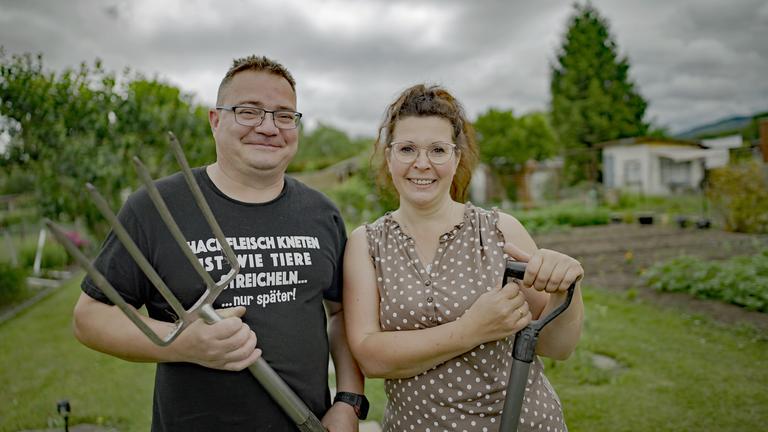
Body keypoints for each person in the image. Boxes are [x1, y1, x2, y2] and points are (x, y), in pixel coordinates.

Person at [72, 55, 366, 432]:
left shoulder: (321, 212)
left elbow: (340, 314)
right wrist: (183, 343)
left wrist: (348, 401)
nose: (268, 127)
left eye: (284, 115)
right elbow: (89, 318)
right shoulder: (157, 208)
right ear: (215, 120)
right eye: (249, 111)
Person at [343, 84, 584, 432]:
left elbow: (556, 346)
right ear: (389, 156)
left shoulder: (500, 230)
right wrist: (470, 330)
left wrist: (566, 291)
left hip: (522, 422)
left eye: (438, 150)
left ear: (456, 158)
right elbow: (369, 355)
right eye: (407, 148)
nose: (422, 164)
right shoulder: (366, 243)